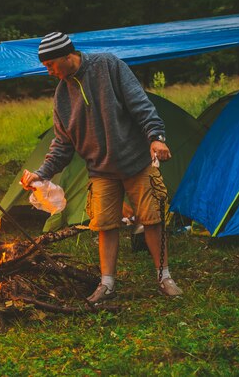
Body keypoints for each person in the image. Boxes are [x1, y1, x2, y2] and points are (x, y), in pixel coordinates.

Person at [21, 31, 183, 304]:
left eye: (49, 65)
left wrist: (155, 137)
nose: (48, 72)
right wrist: (42, 174)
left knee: (152, 219)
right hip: (101, 171)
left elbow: (140, 104)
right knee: (105, 225)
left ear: (65, 55)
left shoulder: (108, 65)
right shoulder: (61, 96)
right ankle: (107, 283)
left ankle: (164, 276)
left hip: (136, 162)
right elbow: (62, 144)